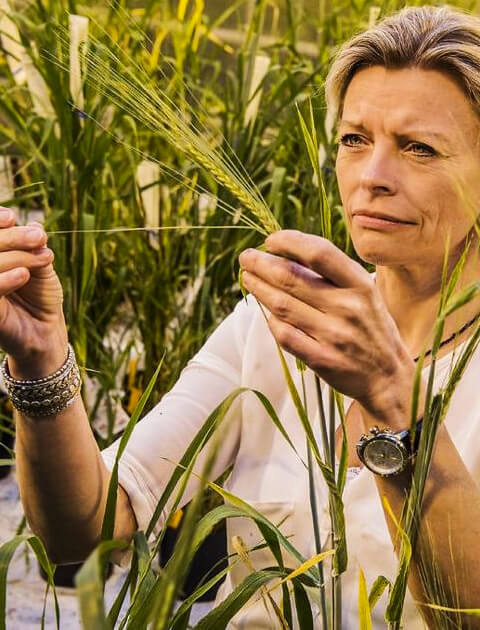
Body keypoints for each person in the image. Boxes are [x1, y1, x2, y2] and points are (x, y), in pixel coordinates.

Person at [6, 4, 480, 628]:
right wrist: (42, 362)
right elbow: (92, 530)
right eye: (353, 139)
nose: (371, 177)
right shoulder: (274, 325)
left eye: (419, 148)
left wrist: (394, 396)